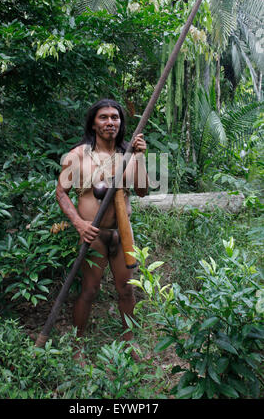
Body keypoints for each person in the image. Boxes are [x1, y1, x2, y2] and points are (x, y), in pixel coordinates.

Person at [56, 98, 148, 363]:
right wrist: (79, 223)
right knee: (89, 289)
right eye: (104, 117)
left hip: (121, 234)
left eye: (115, 117)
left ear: (121, 123)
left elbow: (141, 191)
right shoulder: (77, 156)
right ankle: (77, 346)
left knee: (127, 290)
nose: (110, 122)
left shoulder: (128, 154)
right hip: (93, 237)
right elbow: (61, 193)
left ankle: (130, 344)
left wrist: (139, 158)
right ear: (93, 124)